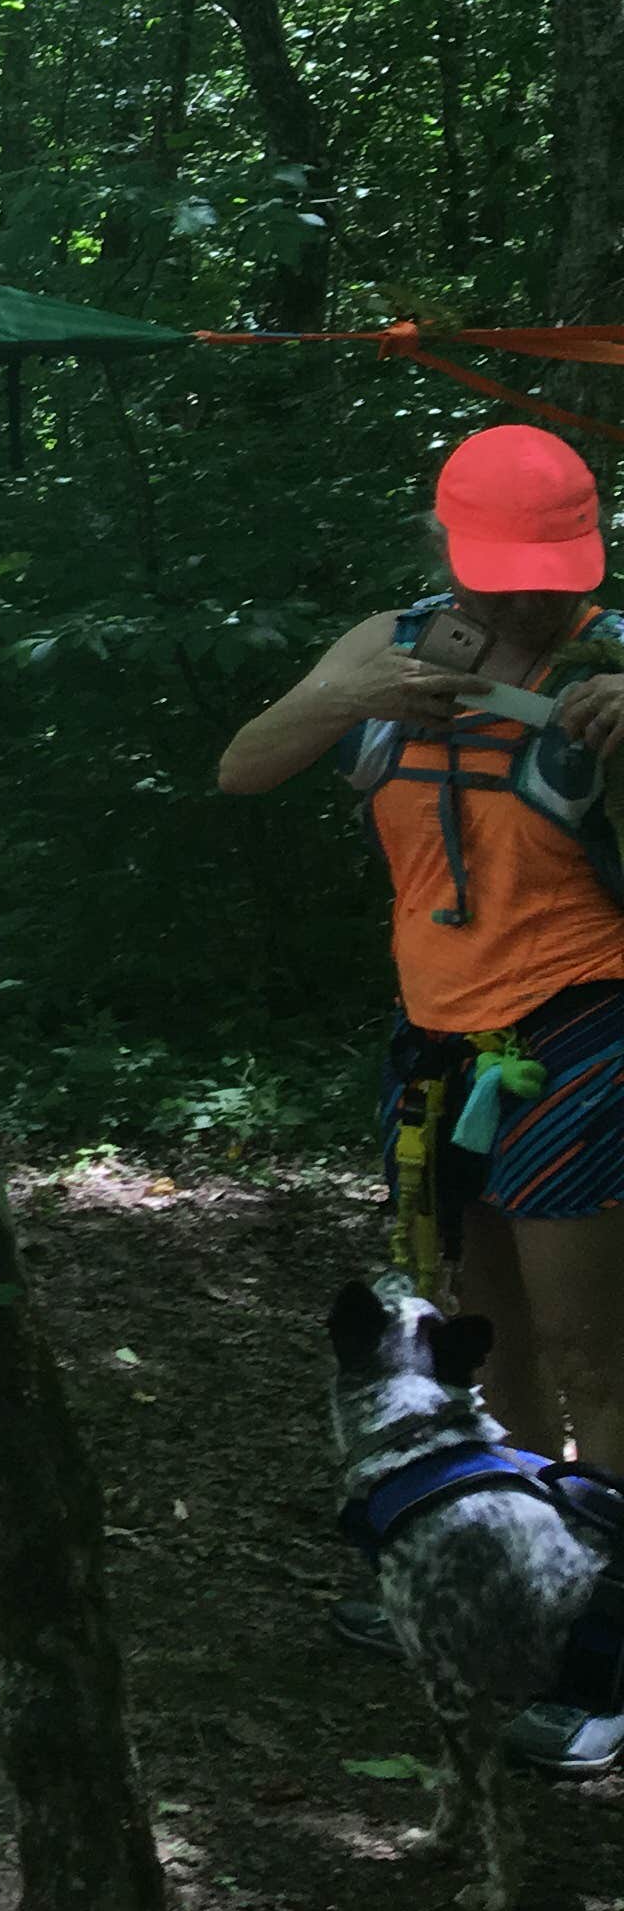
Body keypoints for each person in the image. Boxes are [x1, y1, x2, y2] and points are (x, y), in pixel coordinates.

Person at [221, 420, 624, 1767]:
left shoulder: (611, 670)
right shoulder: (387, 643)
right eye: (503, 568)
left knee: (592, 1355)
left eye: (549, 572)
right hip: (441, 1052)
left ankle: (611, 1661)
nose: (527, 599)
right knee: (486, 1336)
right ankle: (517, 1595)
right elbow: (245, 765)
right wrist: (355, 698)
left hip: (588, 1035)